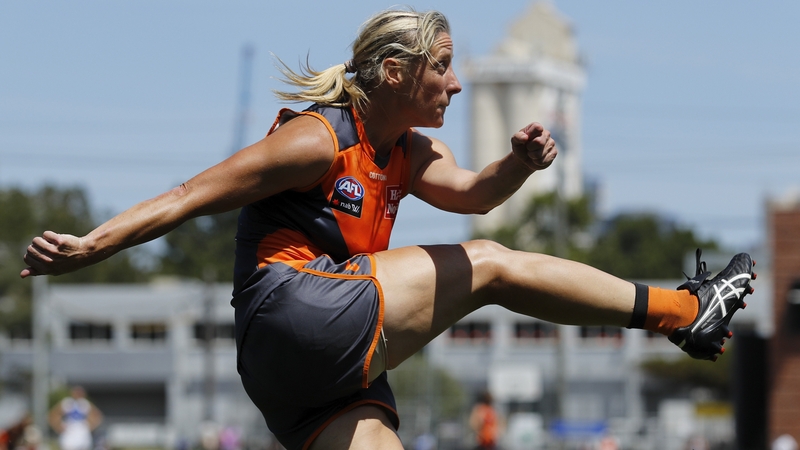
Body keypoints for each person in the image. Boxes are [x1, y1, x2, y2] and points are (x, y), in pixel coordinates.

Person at [21, 7, 756, 450]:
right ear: (398, 73)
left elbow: (473, 195)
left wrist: (518, 165)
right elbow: (190, 194)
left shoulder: (408, 151)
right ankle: (686, 311)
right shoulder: (318, 140)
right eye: (443, 67)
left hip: (292, 376)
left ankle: (685, 315)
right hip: (294, 311)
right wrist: (92, 246)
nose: (458, 83)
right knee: (490, 267)